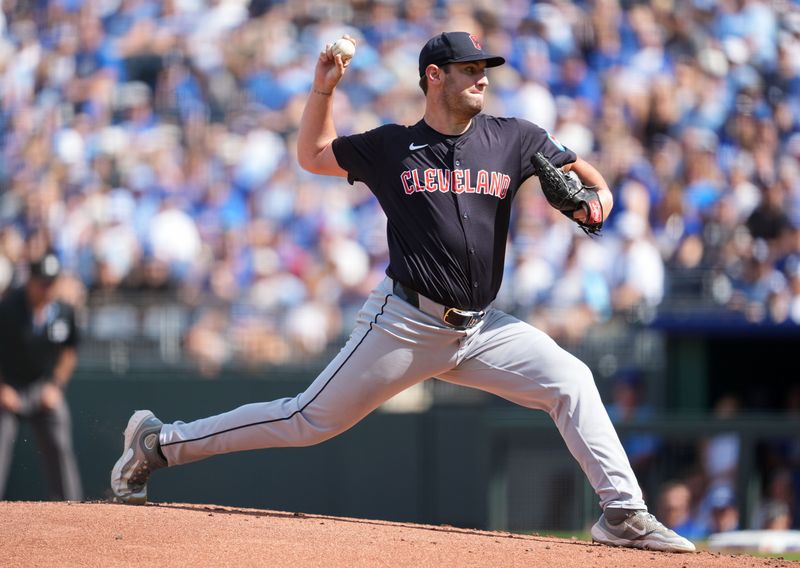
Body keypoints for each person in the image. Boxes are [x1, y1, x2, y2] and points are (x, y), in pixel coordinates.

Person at [110, 31, 694, 553]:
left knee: (572, 381)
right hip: (404, 324)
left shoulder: (515, 137)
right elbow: (312, 156)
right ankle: (160, 443)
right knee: (305, 420)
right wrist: (322, 92)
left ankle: (623, 514)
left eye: (483, 69)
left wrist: (599, 197)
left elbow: (590, 178)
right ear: (434, 77)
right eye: (468, 69)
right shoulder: (392, 146)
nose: (481, 77)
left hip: (482, 328)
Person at [0, 252, 83, 500]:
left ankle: (71, 509)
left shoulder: (64, 311)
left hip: (43, 386)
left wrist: (55, 386)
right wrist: (2, 388)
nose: (47, 288)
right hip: (10, 387)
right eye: (42, 282)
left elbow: (69, 352)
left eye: (51, 282)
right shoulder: (8, 308)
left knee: (60, 445)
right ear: (30, 281)